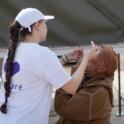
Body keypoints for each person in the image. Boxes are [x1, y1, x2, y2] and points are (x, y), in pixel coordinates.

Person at [0, 8, 99, 124]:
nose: (46, 28)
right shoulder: (41, 53)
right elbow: (71, 88)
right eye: (45, 24)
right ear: (37, 25)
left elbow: (38, 73)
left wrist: (65, 58)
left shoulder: (12, 51)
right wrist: (86, 59)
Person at [54, 45, 118, 124]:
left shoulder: (95, 93)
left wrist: (70, 80)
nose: (89, 53)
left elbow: (61, 106)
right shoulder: (86, 79)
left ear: (101, 69)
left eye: (95, 53)